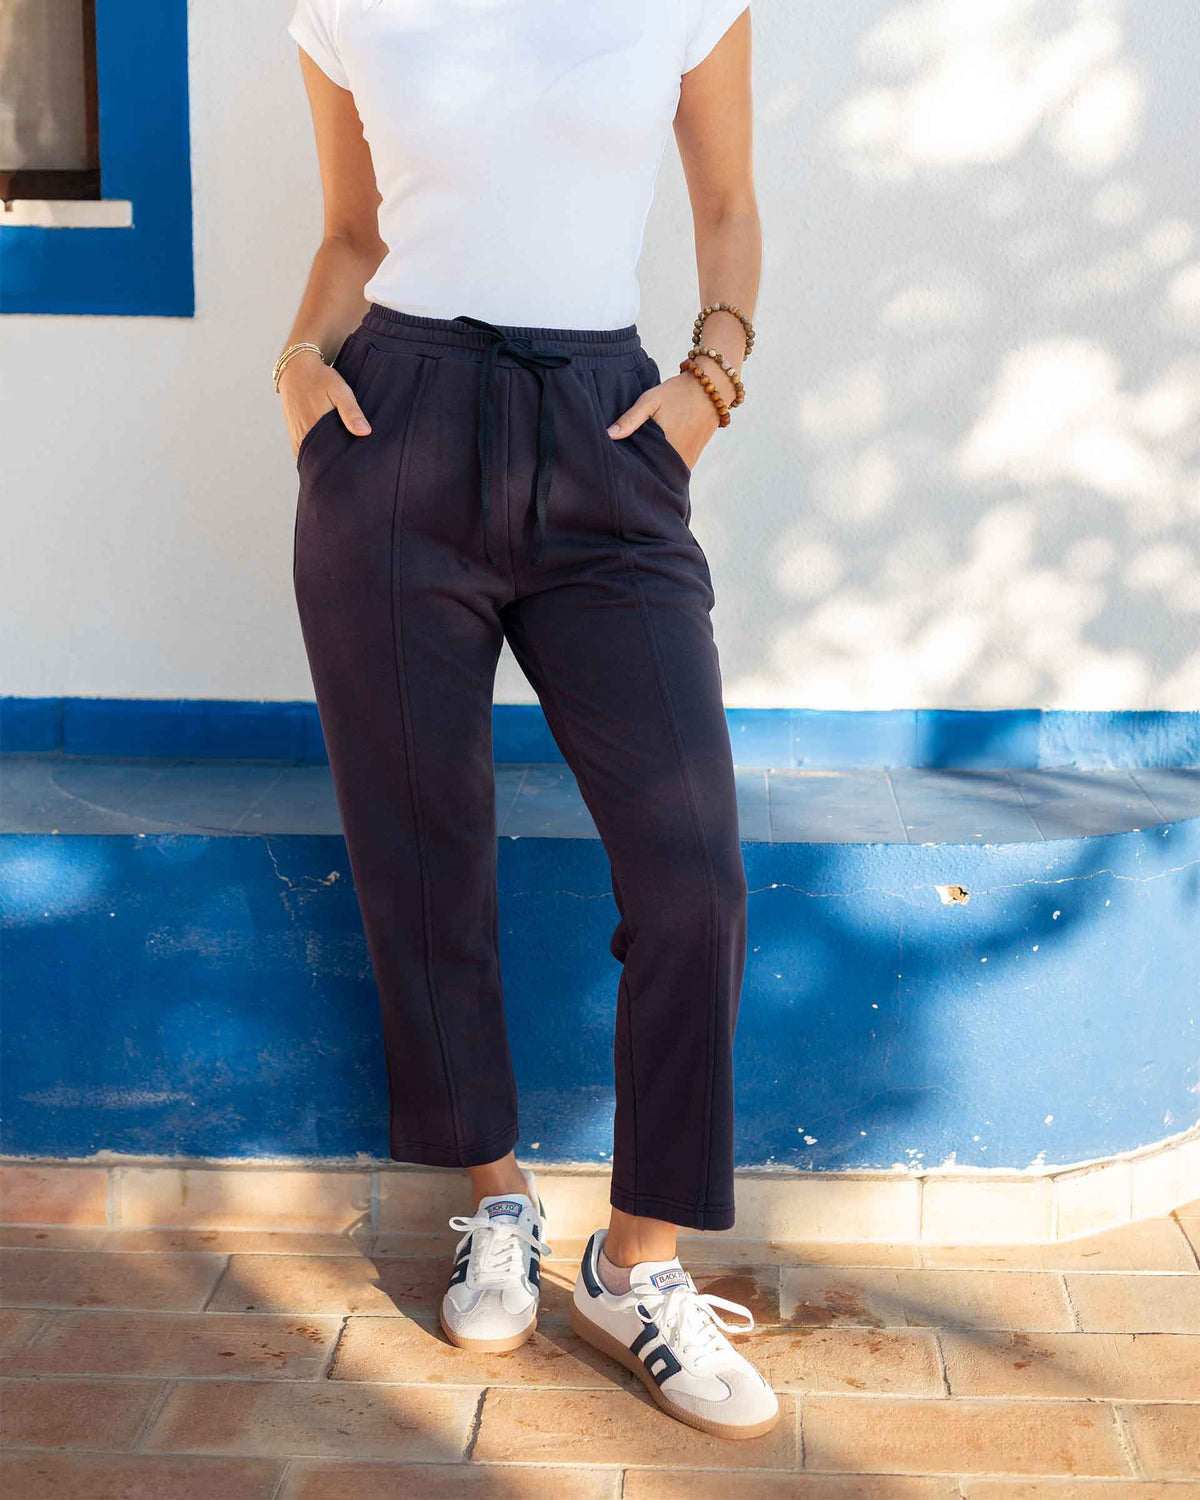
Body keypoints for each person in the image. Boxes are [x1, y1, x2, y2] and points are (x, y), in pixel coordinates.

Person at [279, 0, 772, 1439]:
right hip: (394, 430)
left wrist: (710, 382)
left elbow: (731, 202)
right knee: (423, 853)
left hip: (605, 431)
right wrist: (301, 366)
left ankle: (641, 1263)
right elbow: (353, 233)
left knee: (693, 876)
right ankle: (496, 1200)